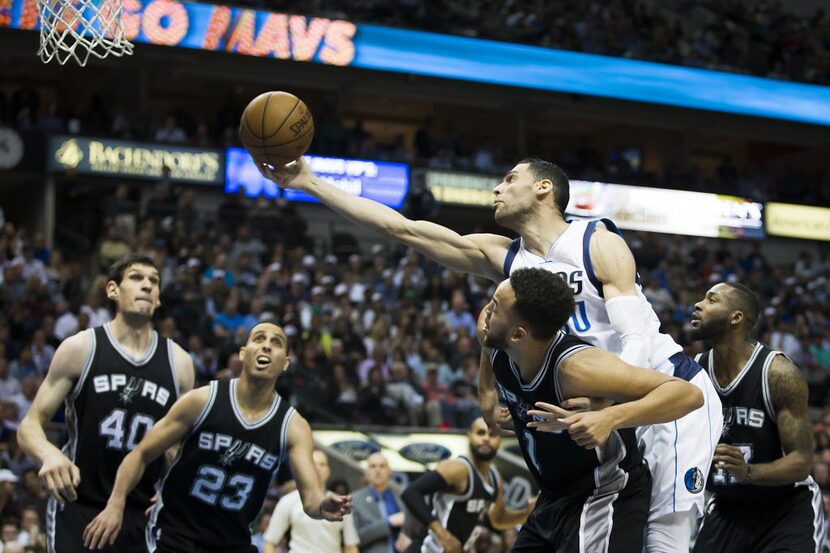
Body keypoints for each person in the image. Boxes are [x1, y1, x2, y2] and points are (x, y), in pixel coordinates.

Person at [258, 157, 722, 552]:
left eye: (509, 179)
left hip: (666, 390)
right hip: (603, 402)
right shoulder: (505, 259)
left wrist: (612, 408)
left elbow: (634, 333)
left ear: (544, 188)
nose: (497, 188)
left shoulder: (595, 240)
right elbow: (401, 228)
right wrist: (309, 182)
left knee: (665, 536)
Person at [478, 267, 703, 551]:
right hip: (552, 497)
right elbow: (485, 342)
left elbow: (687, 394)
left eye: (495, 309)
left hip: (603, 494)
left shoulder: (578, 368)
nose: (486, 312)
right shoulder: (494, 335)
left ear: (518, 335)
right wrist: (486, 391)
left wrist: (607, 417)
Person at [82, 321, 352, 552]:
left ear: (285, 364)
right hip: (176, 535)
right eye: (259, 339)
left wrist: (322, 506)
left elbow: (312, 499)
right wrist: (115, 504)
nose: (267, 346)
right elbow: (141, 454)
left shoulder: (293, 426)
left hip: (232, 542)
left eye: (277, 343)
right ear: (243, 353)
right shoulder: (202, 401)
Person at [18, 254, 195, 553]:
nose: (147, 285)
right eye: (137, 278)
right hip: (79, 504)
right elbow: (29, 425)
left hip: (139, 512)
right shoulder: (81, 348)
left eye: (153, 281)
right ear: (112, 290)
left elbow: (176, 446)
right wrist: (48, 453)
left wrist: (171, 488)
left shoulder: (179, 363)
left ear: (159, 299)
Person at [689, 282, 823, 553]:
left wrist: (747, 472)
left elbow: (802, 461)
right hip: (727, 507)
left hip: (785, 507)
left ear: (735, 317)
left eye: (711, 300)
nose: (698, 304)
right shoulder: (696, 371)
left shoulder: (778, 373)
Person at [400, 417, 533, 553]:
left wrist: (526, 513)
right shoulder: (458, 468)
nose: (486, 438)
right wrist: (444, 536)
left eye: (492, 434)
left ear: (499, 440)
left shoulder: (494, 477)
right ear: (470, 436)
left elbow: (498, 520)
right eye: (480, 433)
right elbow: (411, 493)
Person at [263, 448, 359, 553]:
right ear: (306, 468)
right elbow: (270, 542)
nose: (317, 468)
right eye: (313, 463)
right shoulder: (288, 500)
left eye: (322, 464)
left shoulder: (340, 502)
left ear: (328, 471)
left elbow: (350, 546)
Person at [351, 453, 404, 553]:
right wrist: (388, 523)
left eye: (382, 466)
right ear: (366, 473)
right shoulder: (355, 500)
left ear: (390, 471)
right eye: (373, 466)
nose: (377, 470)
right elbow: (353, 539)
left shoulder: (402, 498)